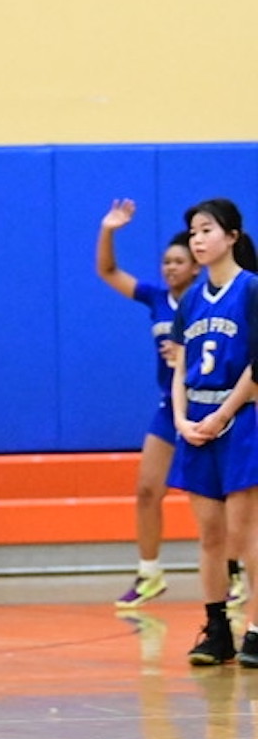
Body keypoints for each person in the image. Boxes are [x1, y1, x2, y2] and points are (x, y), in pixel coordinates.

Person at [96, 199, 225, 609]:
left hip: (210, 406)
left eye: (177, 261)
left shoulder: (213, 298)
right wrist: (109, 230)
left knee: (219, 500)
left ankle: (234, 573)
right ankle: (149, 572)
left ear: (195, 267)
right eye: (165, 261)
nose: (169, 267)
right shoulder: (155, 298)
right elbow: (108, 271)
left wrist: (185, 355)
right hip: (170, 409)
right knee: (148, 489)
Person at [159, 199, 258, 668]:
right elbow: (179, 367)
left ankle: (255, 629)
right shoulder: (193, 299)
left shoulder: (252, 290)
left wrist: (223, 416)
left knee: (247, 535)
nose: (197, 239)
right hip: (196, 425)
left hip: (240, 422)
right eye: (192, 232)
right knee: (210, 537)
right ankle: (217, 629)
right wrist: (181, 419)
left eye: (206, 230)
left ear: (232, 237)